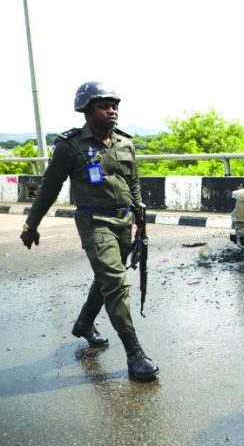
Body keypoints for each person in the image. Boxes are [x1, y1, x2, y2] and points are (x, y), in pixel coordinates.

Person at [19, 81, 159, 382]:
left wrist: (139, 219)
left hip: (123, 222)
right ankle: (135, 355)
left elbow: (133, 182)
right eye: (103, 106)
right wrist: (32, 224)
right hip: (94, 222)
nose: (112, 110)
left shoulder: (126, 143)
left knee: (106, 279)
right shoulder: (70, 147)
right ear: (86, 111)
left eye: (115, 105)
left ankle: (84, 324)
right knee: (116, 282)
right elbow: (49, 188)